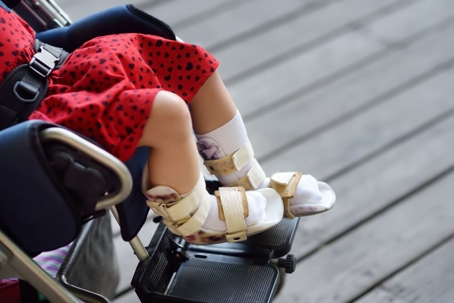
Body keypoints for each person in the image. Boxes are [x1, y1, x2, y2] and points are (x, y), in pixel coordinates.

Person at [0, 4, 335, 245]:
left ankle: (247, 178)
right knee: (165, 111)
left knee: (190, 62)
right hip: (30, 121)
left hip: (53, 62)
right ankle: (198, 219)